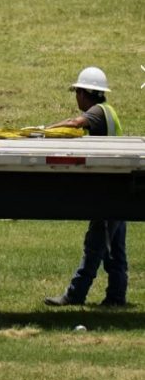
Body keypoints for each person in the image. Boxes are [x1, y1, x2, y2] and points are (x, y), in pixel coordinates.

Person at [44, 67, 127, 308]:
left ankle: (75, 294)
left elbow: (74, 123)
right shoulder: (108, 111)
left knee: (96, 246)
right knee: (115, 251)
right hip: (118, 190)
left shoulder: (97, 112)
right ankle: (116, 297)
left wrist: (44, 131)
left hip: (107, 192)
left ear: (84, 92)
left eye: (77, 92)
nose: (76, 97)